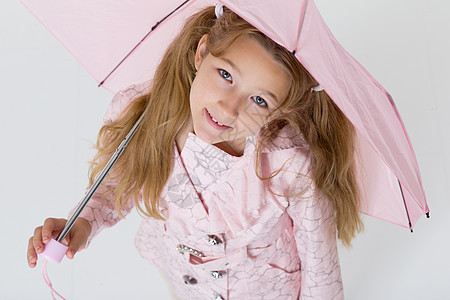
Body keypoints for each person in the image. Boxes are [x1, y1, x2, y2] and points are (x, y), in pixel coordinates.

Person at [27, 4, 363, 299]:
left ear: (281, 110)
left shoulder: (291, 166)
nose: (230, 108)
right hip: (183, 277)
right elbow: (119, 184)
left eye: (259, 100)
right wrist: (82, 224)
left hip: (264, 290)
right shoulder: (142, 114)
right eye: (226, 74)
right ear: (201, 52)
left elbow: (321, 271)